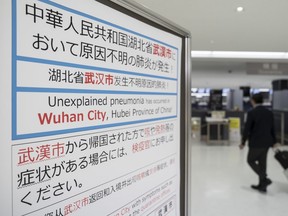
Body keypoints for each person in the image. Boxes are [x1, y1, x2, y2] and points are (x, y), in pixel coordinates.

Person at [239, 93, 277, 193]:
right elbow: (272, 128)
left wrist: (243, 141)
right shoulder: (269, 112)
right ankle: (262, 186)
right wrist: (274, 141)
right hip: (267, 142)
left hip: (256, 142)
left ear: (253, 101)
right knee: (262, 163)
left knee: (250, 160)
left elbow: (247, 129)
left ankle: (264, 179)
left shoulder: (251, 113)